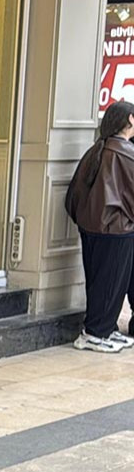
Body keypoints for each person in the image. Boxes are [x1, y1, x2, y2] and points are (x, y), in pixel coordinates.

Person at [64, 100, 134, 353]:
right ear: (130, 120)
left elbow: (73, 195)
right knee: (111, 282)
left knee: (99, 281)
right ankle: (96, 333)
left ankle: (102, 330)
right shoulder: (125, 153)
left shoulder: (97, 150)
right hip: (116, 229)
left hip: (91, 228)